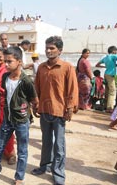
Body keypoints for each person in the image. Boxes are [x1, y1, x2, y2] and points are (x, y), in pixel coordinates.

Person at [0, 47, 39, 185]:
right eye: (5, 61)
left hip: (21, 121)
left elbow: (34, 99)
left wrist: (26, 110)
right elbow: (5, 93)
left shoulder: (26, 81)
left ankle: (19, 178)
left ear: (19, 62)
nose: (6, 64)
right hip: (7, 119)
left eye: (9, 61)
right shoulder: (4, 77)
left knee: (22, 150)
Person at [31, 36, 78, 185]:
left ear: (60, 50)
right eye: (47, 48)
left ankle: (58, 172)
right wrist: (35, 104)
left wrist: (70, 108)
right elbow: (36, 88)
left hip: (60, 111)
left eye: (52, 48)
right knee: (46, 141)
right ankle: (44, 166)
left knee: (59, 144)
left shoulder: (67, 67)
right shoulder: (42, 68)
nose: (48, 50)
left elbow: (72, 89)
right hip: (44, 109)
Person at [0, 47, 16, 165]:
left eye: (0, 56)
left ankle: (11, 153)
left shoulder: (7, 70)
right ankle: (1, 151)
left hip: (4, 101)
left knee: (6, 128)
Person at [95, 46, 117, 113]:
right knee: (112, 91)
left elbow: (97, 65)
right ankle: (109, 108)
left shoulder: (105, 57)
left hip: (106, 74)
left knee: (107, 90)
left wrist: (105, 66)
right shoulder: (114, 56)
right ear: (113, 51)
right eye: (116, 51)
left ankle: (105, 106)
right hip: (111, 75)